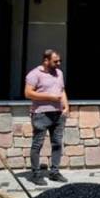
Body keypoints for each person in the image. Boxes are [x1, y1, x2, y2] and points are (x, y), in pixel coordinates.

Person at [24, 49, 69, 186]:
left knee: (57, 144)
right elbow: (28, 93)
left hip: (58, 114)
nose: (59, 63)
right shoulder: (34, 74)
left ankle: (54, 172)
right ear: (46, 60)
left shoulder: (59, 73)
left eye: (59, 60)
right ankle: (36, 175)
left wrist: (66, 107)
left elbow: (62, 90)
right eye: (56, 61)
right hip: (41, 114)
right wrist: (49, 97)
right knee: (37, 144)